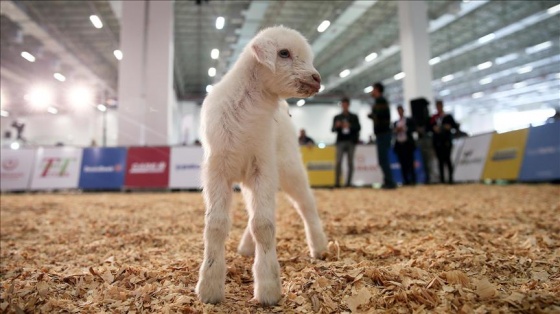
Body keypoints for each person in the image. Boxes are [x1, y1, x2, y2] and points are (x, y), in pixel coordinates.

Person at [368, 82, 396, 189]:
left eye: (373, 89)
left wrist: (372, 115)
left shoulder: (381, 101)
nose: (372, 91)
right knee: (383, 159)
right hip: (382, 134)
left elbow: (380, 116)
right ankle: (388, 181)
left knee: (383, 159)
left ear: (377, 90)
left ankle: (390, 182)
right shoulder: (379, 101)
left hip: (383, 134)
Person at [332, 97, 361, 187]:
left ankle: (349, 183)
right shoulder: (337, 117)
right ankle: (337, 183)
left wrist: (350, 125)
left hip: (351, 141)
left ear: (348, 105)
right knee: (338, 162)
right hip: (341, 141)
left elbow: (358, 128)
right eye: (343, 104)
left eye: (346, 104)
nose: (344, 106)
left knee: (350, 162)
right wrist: (337, 126)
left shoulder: (354, 117)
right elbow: (332, 129)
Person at [430, 100, 458, 184]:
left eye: (440, 106)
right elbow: (429, 128)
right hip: (437, 142)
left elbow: (455, 126)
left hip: (446, 140)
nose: (438, 107)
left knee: (448, 159)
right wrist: (434, 129)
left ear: (442, 106)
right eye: (437, 106)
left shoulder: (448, 117)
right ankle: (442, 180)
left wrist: (448, 127)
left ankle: (450, 179)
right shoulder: (434, 118)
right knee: (440, 161)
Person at [393, 105, 417, 185]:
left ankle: (413, 180)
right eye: (398, 111)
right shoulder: (395, 122)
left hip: (408, 144)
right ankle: (406, 180)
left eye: (401, 110)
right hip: (400, 145)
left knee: (410, 162)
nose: (399, 112)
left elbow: (414, 128)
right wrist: (396, 130)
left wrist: (404, 128)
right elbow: (393, 132)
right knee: (402, 163)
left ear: (403, 111)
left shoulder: (409, 120)